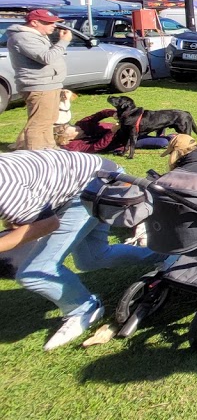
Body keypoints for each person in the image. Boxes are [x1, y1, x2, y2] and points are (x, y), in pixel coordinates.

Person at [0, 149, 161, 350]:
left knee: (35, 271)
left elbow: (47, 224)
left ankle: (84, 308)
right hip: (92, 177)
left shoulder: (4, 188)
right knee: (92, 258)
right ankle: (165, 255)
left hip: (94, 186)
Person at [8, 9, 73, 150]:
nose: (54, 25)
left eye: (54, 22)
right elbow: (46, 58)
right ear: (34, 22)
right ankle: (35, 158)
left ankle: (49, 149)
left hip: (50, 84)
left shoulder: (37, 35)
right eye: (48, 22)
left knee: (49, 120)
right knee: (38, 123)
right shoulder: (23, 37)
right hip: (39, 85)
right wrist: (63, 42)